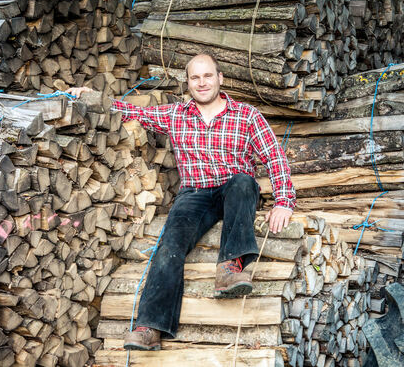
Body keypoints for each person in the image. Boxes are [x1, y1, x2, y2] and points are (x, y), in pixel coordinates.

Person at [67, 53, 295, 351]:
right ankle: (150, 327)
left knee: (243, 181)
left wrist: (284, 201)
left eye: (208, 76)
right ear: (187, 83)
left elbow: (274, 157)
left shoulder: (246, 115)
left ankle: (230, 269)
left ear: (220, 78)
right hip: (195, 194)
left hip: (235, 189)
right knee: (170, 244)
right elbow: (129, 112)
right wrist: (92, 97)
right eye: (195, 77)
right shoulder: (176, 114)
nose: (202, 83)